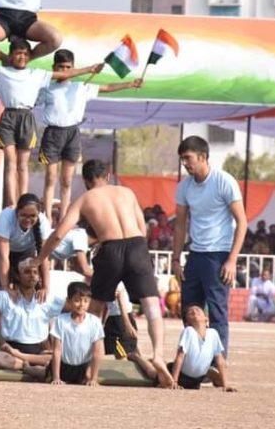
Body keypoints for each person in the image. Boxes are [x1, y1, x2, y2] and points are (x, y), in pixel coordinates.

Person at [37, 159, 173, 387]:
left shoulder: (85, 199)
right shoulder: (127, 193)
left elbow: (59, 233)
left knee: (94, 310)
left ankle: (88, 367)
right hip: (138, 246)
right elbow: (142, 228)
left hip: (110, 249)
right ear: (107, 176)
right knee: (151, 307)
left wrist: (40, 258)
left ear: (86, 181)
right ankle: (158, 354)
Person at [0, 37, 102, 204]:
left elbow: (63, 74)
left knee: (20, 165)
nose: (21, 57)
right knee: (6, 163)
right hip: (4, 117)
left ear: (29, 56)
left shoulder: (37, 74)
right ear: (11, 55)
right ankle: (9, 204)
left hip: (24, 118)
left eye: (25, 53)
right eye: (17, 53)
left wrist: (89, 69)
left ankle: (22, 203)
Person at [38, 48, 142, 219]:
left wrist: (130, 84)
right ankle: (48, 215)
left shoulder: (81, 87)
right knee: (50, 177)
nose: (64, 71)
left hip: (72, 133)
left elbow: (107, 87)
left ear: (73, 67)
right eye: (60, 67)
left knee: (66, 180)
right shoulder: (47, 87)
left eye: (68, 67)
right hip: (52, 134)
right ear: (54, 67)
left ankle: (64, 215)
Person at [171, 136, 248, 353]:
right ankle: (193, 360)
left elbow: (242, 221)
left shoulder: (224, 181)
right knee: (189, 311)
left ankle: (217, 363)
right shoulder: (184, 187)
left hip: (218, 256)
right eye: (182, 159)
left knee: (217, 313)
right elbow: (179, 225)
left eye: (188, 158)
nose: (185, 163)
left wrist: (232, 260)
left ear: (203, 157)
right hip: (194, 255)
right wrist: (176, 259)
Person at [0, 256, 62, 381]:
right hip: (11, 350)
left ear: (38, 277)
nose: (32, 275)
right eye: (27, 272)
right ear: (17, 276)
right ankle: (28, 367)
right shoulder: (7, 296)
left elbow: (71, 304)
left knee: (58, 357)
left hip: (37, 351)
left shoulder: (45, 298)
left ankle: (25, 362)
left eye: (35, 272)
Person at [167, 304, 235, 391]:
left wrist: (226, 385)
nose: (194, 311)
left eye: (198, 310)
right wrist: (174, 381)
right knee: (160, 376)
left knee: (192, 385)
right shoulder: (188, 331)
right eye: (190, 312)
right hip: (181, 375)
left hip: (197, 379)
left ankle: (212, 376)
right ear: (187, 323)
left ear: (206, 318)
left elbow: (220, 360)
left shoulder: (213, 334)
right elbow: (180, 356)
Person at [49, 282, 104, 386]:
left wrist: (94, 378)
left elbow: (97, 353)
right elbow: (57, 350)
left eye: (86, 301)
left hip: (84, 367)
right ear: (68, 301)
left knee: (86, 379)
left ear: (90, 302)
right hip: (64, 366)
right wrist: (56, 377)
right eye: (77, 300)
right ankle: (28, 368)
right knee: (40, 374)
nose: (82, 304)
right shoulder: (60, 320)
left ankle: (87, 376)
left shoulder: (95, 322)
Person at [104, 283, 140, 359]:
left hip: (119, 320)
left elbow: (121, 299)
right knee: (130, 351)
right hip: (119, 318)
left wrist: (127, 324)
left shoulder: (115, 277)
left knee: (124, 354)